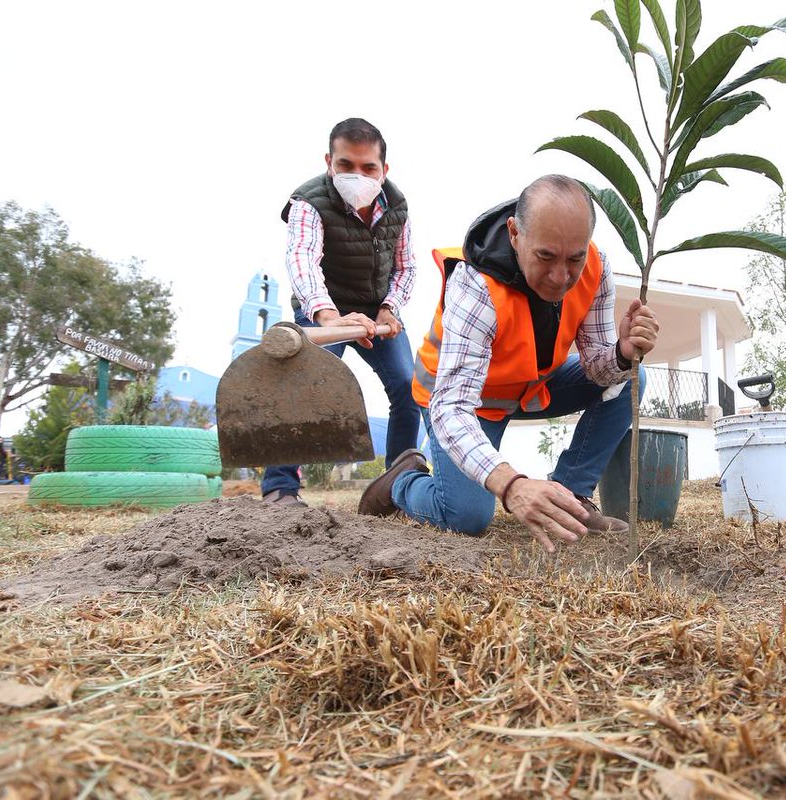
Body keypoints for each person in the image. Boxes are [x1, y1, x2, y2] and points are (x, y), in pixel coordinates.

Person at [357, 175, 659, 552]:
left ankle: (571, 497)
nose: (560, 277)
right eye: (545, 257)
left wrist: (621, 353)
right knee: (466, 516)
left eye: (574, 258)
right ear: (515, 234)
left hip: (530, 388)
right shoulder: (476, 284)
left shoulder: (597, 270)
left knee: (633, 375)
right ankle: (403, 483)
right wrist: (511, 484)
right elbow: (451, 408)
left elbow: (600, 371)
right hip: (461, 401)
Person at [260, 118, 421, 507]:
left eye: (369, 168)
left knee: (408, 388)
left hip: (375, 312)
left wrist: (389, 308)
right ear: (329, 161)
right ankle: (280, 488)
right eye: (346, 165)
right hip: (323, 310)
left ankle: (397, 485)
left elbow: (407, 267)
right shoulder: (308, 202)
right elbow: (302, 260)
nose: (357, 175)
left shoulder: (397, 206)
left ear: (384, 170)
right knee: (302, 384)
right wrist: (328, 317)